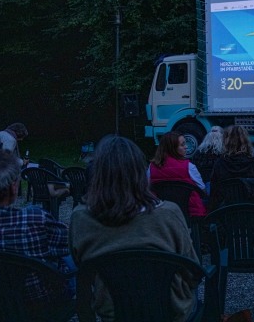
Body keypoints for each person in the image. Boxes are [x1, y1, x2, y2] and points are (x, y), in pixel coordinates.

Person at [69, 135, 199, 322]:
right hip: (170, 312)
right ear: (140, 171)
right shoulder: (169, 214)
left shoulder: (80, 218)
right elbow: (192, 273)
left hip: (114, 314)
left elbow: (83, 272)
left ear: (97, 173)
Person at [0, 148, 75, 321]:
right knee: (70, 257)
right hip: (41, 308)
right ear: (13, 187)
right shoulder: (34, 220)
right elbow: (69, 243)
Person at [149, 131, 207, 217]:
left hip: (161, 214)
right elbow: (203, 192)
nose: (186, 147)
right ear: (172, 148)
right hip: (189, 214)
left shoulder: (151, 167)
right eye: (182, 144)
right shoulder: (189, 167)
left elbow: (147, 189)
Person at [210, 125, 254, 191]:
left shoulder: (219, 165)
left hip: (228, 200)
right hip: (252, 201)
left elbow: (214, 190)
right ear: (246, 141)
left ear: (226, 142)